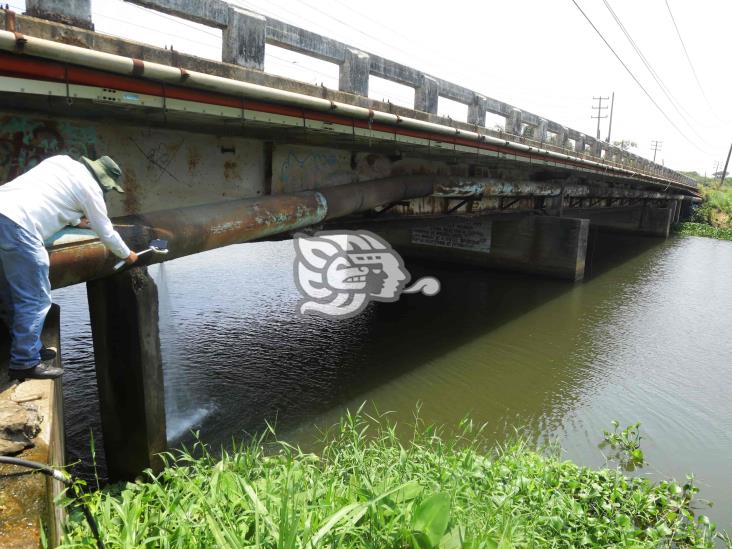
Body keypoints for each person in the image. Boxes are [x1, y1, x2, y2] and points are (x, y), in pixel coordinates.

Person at [0, 155, 138, 381]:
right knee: (35, 299)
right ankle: (24, 362)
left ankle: (30, 347)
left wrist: (75, 220)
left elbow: (49, 195)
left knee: (10, 292)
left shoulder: (61, 161)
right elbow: (107, 233)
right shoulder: (91, 190)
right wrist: (127, 254)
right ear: (104, 182)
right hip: (19, 225)